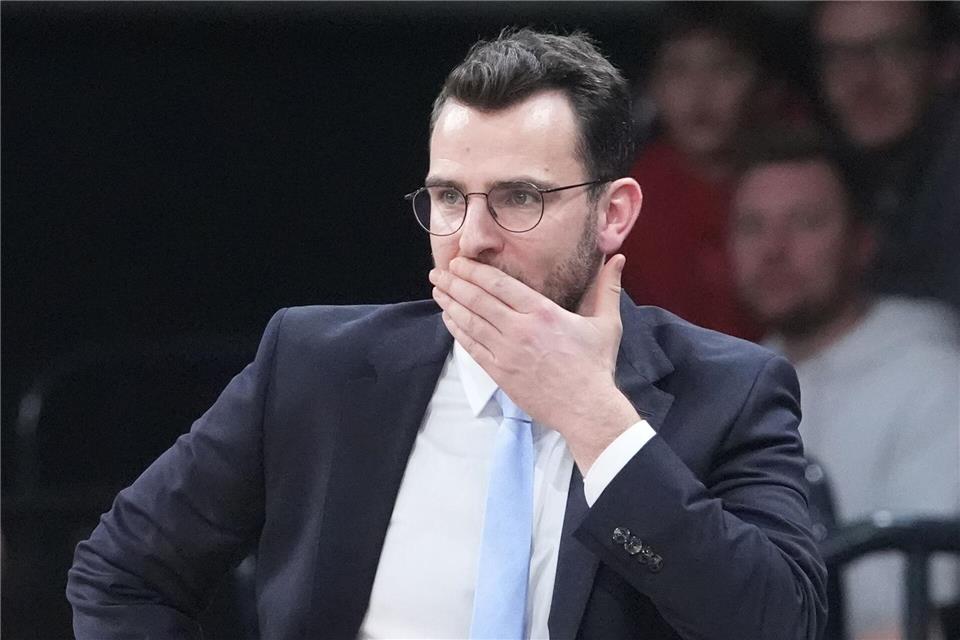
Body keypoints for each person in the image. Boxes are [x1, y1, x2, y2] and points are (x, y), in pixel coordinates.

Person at [67, 29, 826, 639]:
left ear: (613, 213)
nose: (473, 239)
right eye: (448, 198)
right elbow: (122, 571)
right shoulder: (314, 366)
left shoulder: (727, 389)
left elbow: (778, 622)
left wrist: (597, 420)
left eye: (519, 198)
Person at [729, 128, 960, 639]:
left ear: (863, 242)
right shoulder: (731, 380)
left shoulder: (933, 378)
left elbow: (915, 609)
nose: (773, 249)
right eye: (751, 226)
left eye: (805, 223)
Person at [619, 4, 778, 340]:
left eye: (724, 69)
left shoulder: (791, 183)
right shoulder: (630, 198)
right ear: (654, 88)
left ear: (762, 86)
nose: (700, 92)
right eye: (679, 71)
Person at [811, 0, 960, 311]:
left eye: (889, 49)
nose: (861, 80)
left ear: (947, 60)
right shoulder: (846, 170)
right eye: (839, 56)